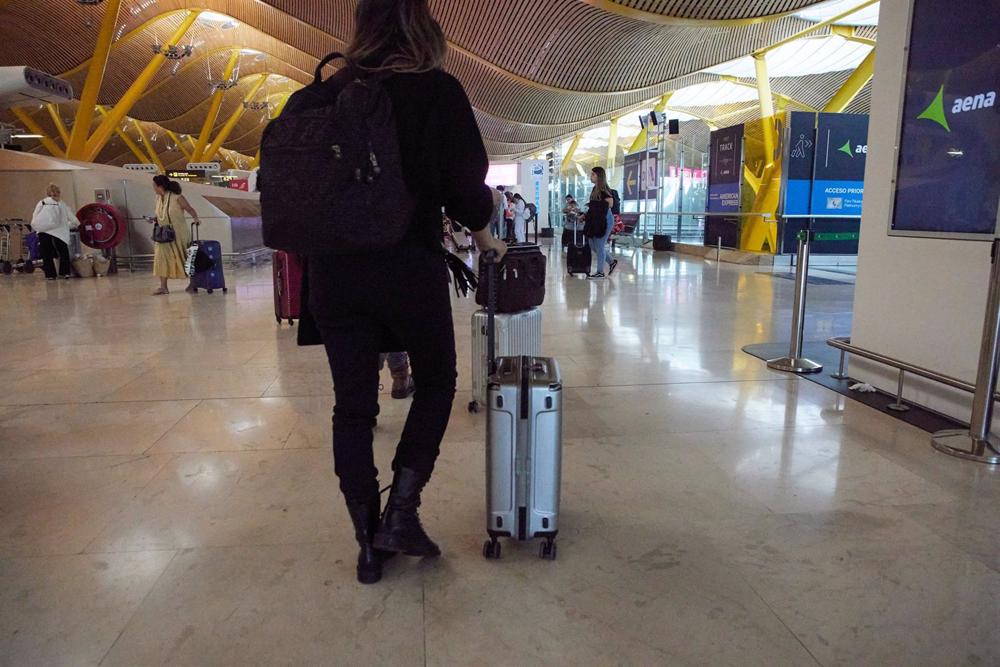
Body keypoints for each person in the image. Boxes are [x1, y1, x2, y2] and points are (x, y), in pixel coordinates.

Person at [306, 0, 507, 585]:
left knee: (353, 406)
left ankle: (367, 544)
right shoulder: (436, 92)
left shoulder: (325, 92)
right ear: (424, 28)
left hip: (333, 276)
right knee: (438, 380)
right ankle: (400, 513)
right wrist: (485, 235)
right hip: (406, 268)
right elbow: (468, 192)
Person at [150, 175, 200, 296]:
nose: (153, 188)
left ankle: (193, 283)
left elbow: (189, 209)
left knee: (185, 258)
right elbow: (160, 215)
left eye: (154, 185)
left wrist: (196, 218)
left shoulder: (177, 197)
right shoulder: (158, 199)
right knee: (161, 258)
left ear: (160, 186)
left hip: (179, 234)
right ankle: (163, 287)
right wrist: (154, 219)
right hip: (163, 235)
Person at [30, 184, 78, 280]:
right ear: (59, 193)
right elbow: (73, 220)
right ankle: (65, 272)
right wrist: (73, 224)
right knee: (63, 251)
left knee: (46, 252)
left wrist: (37, 227)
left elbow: (35, 216)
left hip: (43, 230)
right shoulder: (62, 204)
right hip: (59, 232)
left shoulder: (42, 202)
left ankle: (50, 274)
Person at [584, 167, 615, 280]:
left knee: (600, 245)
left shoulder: (603, 188)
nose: (591, 176)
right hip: (596, 219)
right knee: (593, 244)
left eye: (593, 174)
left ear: (599, 176)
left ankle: (600, 272)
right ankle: (611, 262)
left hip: (605, 219)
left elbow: (610, 203)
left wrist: (596, 204)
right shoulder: (595, 189)